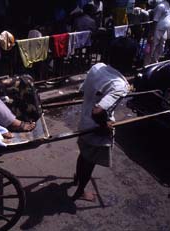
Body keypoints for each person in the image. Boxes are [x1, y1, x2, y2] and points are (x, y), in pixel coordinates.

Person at [71, 37, 137, 201]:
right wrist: (106, 124)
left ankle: (77, 178)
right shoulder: (119, 85)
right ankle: (80, 190)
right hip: (95, 128)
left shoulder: (97, 67)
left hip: (83, 122)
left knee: (84, 154)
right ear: (129, 60)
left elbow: (83, 90)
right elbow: (98, 111)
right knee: (90, 161)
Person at [135, 0, 170, 65]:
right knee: (152, 47)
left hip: (164, 31)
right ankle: (146, 64)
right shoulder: (161, 6)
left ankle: (155, 62)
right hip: (157, 29)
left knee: (160, 48)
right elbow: (155, 20)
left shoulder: (167, 6)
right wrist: (151, 33)